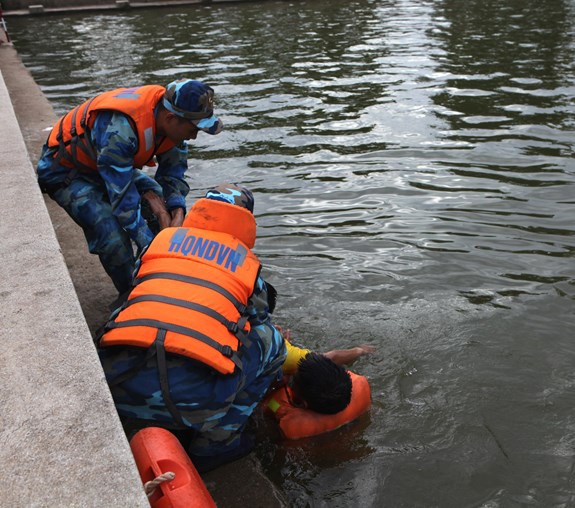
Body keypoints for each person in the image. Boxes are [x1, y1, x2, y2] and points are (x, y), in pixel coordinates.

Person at [97, 183, 286, 472]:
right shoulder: (246, 264)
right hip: (196, 403)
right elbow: (259, 319)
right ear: (246, 220)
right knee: (273, 341)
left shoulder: (159, 242)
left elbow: (137, 287)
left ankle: (144, 411)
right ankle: (215, 443)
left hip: (119, 389)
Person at [37, 78, 223, 296]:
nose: (193, 137)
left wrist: (176, 212)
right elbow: (124, 201)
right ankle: (136, 296)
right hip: (67, 172)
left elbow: (173, 176)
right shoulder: (120, 127)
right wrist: (153, 246)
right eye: (194, 130)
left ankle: (166, 276)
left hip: (109, 165)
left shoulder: (174, 124)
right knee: (111, 234)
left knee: (161, 200)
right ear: (171, 118)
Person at [280, 333, 375, 414]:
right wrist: (361, 351)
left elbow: (332, 357)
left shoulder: (287, 357)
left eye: (291, 381)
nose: (287, 378)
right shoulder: (288, 357)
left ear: (302, 404)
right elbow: (332, 357)